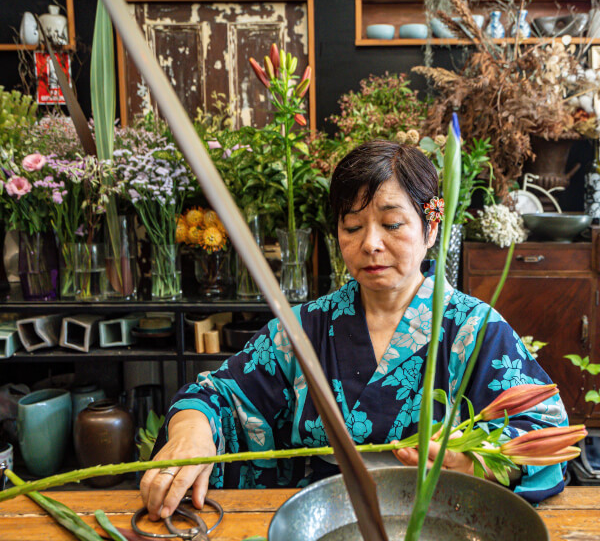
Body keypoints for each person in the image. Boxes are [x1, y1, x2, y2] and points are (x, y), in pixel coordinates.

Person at [140, 141, 569, 520]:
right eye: (352, 226)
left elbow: (545, 433)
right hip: (321, 521)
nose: (370, 244)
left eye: (392, 224)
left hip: (438, 520)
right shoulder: (303, 330)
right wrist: (193, 432)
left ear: (431, 228)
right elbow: (218, 395)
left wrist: (478, 461)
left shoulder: (473, 330)